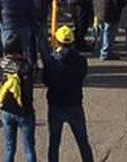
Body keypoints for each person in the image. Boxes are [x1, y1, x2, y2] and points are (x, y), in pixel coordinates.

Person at [42, 26, 94, 162]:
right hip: (75, 103)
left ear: (56, 41)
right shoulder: (81, 60)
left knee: (54, 142)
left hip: (56, 104)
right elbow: (82, 75)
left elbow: (45, 80)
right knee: (82, 141)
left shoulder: (51, 60)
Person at [0, 34, 36, 162]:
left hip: (7, 109)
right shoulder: (26, 67)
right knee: (29, 148)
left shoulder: (3, 63)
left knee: (9, 147)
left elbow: (9, 65)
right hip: (24, 110)